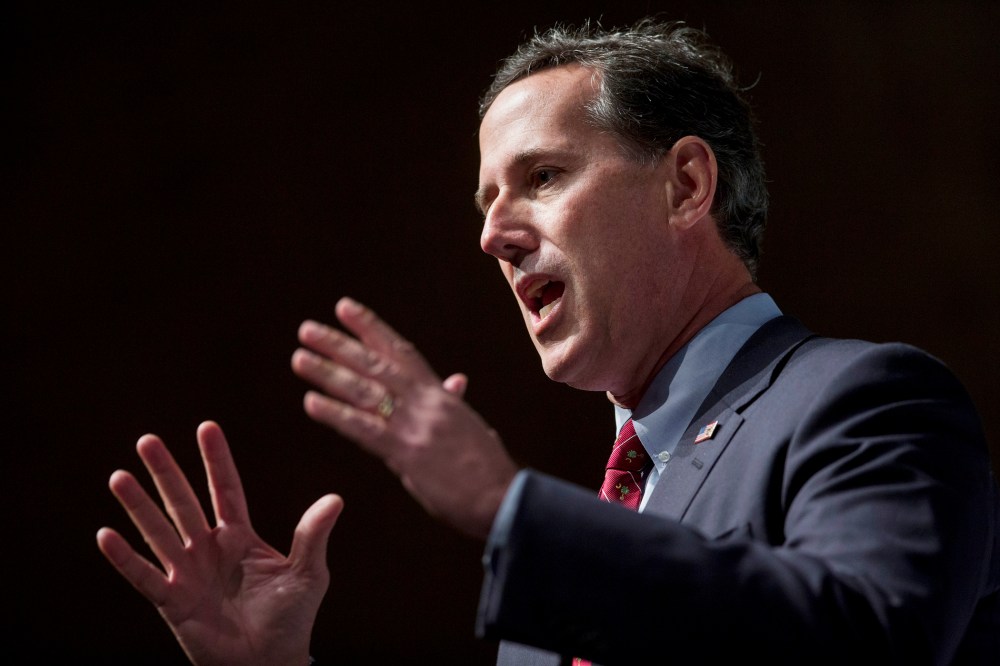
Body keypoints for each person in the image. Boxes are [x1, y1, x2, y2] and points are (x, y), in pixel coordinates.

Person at [97, 18, 1000, 665]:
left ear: (687, 184)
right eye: (486, 204)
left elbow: (870, 638)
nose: (494, 236)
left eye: (543, 176)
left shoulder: (865, 400)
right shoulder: (576, 556)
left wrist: (505, 508)